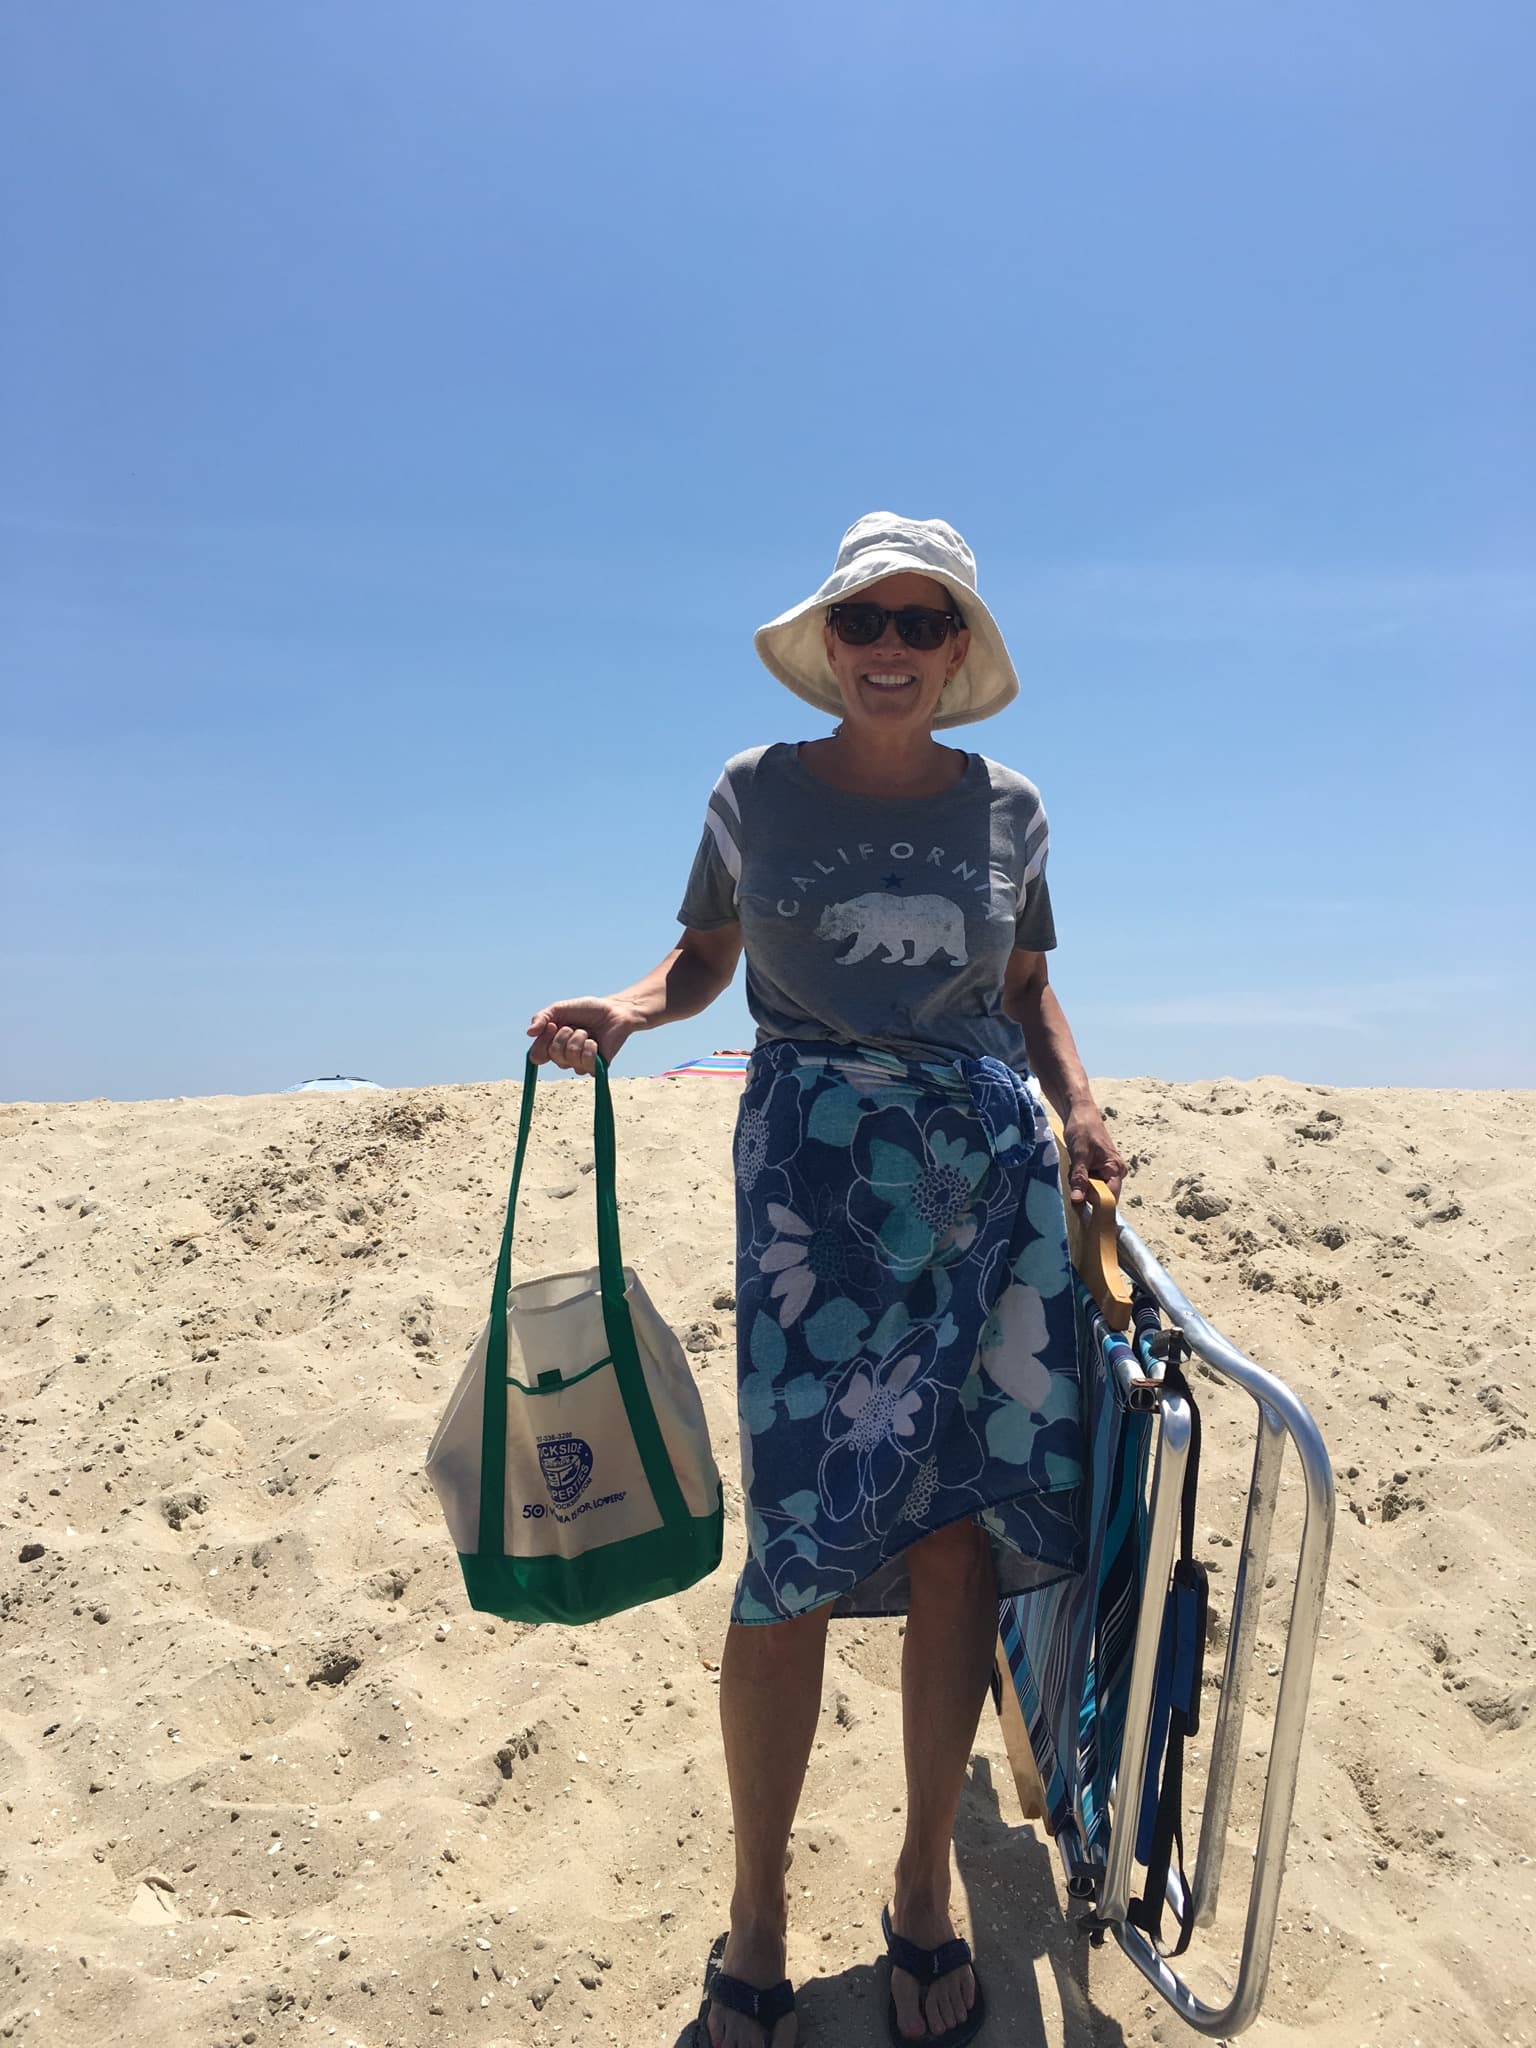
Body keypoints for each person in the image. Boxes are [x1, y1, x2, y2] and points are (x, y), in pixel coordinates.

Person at [528, 512, 1127, 2048]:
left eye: (924, 624)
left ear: (958, 650)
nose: (891, 649)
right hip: (813, 1179)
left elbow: (1027, 991)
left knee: (953, 1538)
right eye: (867, 620)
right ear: (831, 640)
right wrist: (627, 1009)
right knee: (793, 1549)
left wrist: (1078, 1107)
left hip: (980, 1184)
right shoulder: (754, 793)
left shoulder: (1013, 811)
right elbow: (703, 960)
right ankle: (758, 1912)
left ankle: (924, 1885)